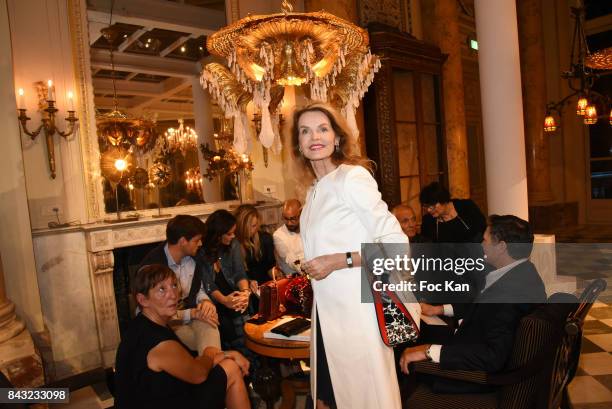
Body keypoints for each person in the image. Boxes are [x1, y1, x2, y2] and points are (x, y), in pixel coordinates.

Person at [294, 102, 417, 409]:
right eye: (305, 131)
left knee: (365, 398)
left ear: (337, 137)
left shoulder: (352, 178)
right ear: (298, 143)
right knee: (326, 399)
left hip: (358, 315)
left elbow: (396, 243)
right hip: (326, 314)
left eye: (323, 128)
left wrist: (339, 260)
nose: (314, 137)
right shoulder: (313, 191)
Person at [400, 215, 547, 393]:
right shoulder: (521, 274)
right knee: (418, 332)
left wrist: (428, 351)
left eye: (484, 240)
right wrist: (440, 309)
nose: (481, 245)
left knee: (402, 356)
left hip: (470, 378)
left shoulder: (510, 293)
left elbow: (492, 356)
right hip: (470, 341)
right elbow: (485, 309)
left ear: (501, 246)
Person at [114, 264, 250, 409]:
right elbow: (199, 374)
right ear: (142, 300)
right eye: (162, 289)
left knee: (227, 363)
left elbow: (188, 364)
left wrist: (226, 354)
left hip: (161, 396)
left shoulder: (141, 325)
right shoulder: (158, 343)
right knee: (231, 368)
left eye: (173, 285)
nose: (173, 294)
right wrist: (211, 353)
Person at [139, 215, 221, 353]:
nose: (200, 244)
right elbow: (155, 312)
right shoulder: (152, 267)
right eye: (197, 240)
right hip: (165, 322)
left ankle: (212, 368)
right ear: (183, 241)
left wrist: (206, 302)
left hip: (190, 314)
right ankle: (216, 367)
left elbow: (198, 289)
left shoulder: (193, 258)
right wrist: (193, 313)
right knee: (205, 341)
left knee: (210, 324)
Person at [199, 209, 251, 354]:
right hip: (217, 302)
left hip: (235, 296)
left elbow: (240, 273)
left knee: (248, 331)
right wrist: (225, 300)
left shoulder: (233, 244)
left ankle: (254, 366)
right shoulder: (201, 251)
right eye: (229, 233)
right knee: (236, 337)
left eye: (233, 232)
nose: (233, 236)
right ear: (217, 234)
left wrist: (245, 293)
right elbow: (208, 284)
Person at [419, 182, 486, 243]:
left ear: (443, 200)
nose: (428, 210)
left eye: (432, 206)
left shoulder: (466, 207)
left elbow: (483, 230)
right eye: (426, 206)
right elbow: (427, 248)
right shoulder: (428, 221)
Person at [234, 205, 277, 286]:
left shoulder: (265, 239)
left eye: (254, 226)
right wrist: (249, 282)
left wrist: (276, 275)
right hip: (245, 289)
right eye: (249, 227)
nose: (253, 230)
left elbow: (270, 266)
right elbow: (235, 275)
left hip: (266, 286)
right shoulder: (233, 244)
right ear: (240, 226)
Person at [273, 199, 305, 275]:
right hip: (295, 277)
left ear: (301, 214)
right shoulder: (278, 235)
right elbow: (291, 260)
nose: (289, 223)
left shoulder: (308, 229)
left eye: (293, 219)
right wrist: (306, 272)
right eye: (286, 219)